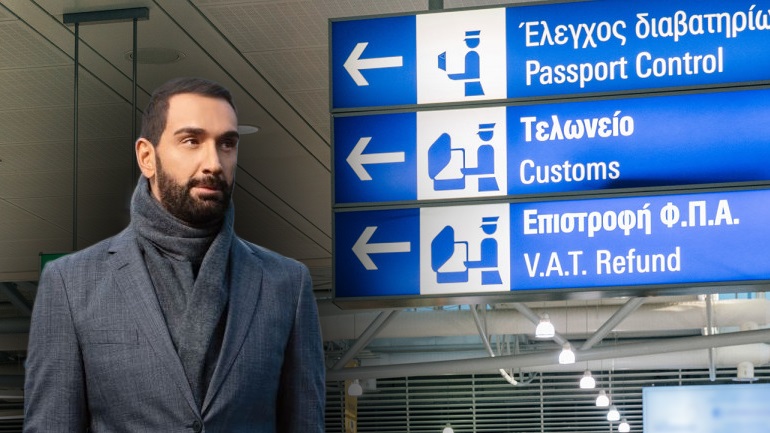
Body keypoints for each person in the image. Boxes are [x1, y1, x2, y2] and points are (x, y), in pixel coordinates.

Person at [23, 77, 326, 432]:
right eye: (191, 141)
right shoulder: (70, 283)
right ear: (147, 157)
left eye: (227, 144)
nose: (214, 162)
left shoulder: (286, 284)